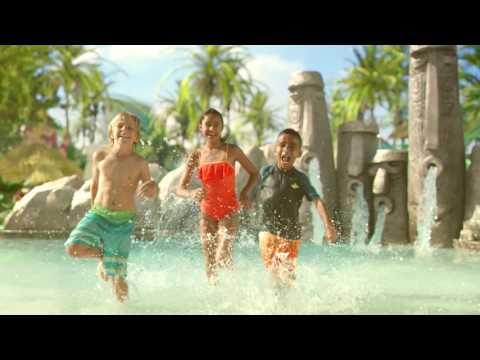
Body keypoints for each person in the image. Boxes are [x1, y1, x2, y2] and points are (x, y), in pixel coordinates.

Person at [64, 112, 157, 302]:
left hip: (123, 222)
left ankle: (123, 309)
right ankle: (102, 255)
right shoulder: (100, 156)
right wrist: (92, 210)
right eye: (120, 126)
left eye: (130, 127)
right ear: (111, 133)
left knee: (118, 275)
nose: (124, 129)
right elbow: (95, 186)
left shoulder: (139, 163)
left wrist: (153, 187)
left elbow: (150, 191)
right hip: (98, 214)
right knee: (73, 248)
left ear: (137, 136)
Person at [177, 108, 259, 285]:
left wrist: (245, 192)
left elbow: (254, 173)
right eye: (208, 124)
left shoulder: (232, 151)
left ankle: (234, 286)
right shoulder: (196, 155)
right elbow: (180, 188)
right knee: (210, 261)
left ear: (222, 128)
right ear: (201, 127)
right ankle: (215, 294)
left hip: (229, 212)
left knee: (222, 253)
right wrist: (190, 193)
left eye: (216, 125)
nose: (212, 128)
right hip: (206, 214)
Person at [256, 128, 336, 288]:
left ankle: (288, 306)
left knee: (286, 277)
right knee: (274, 271)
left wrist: (328, 225)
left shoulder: (300, 179)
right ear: (275, 149)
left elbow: (317, 200)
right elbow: (253, 190)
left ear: (299, 153)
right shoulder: (265, 172)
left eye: (292, 147)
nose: (286, 149)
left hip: (290, 236)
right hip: (267, 232)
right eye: (282, 145)